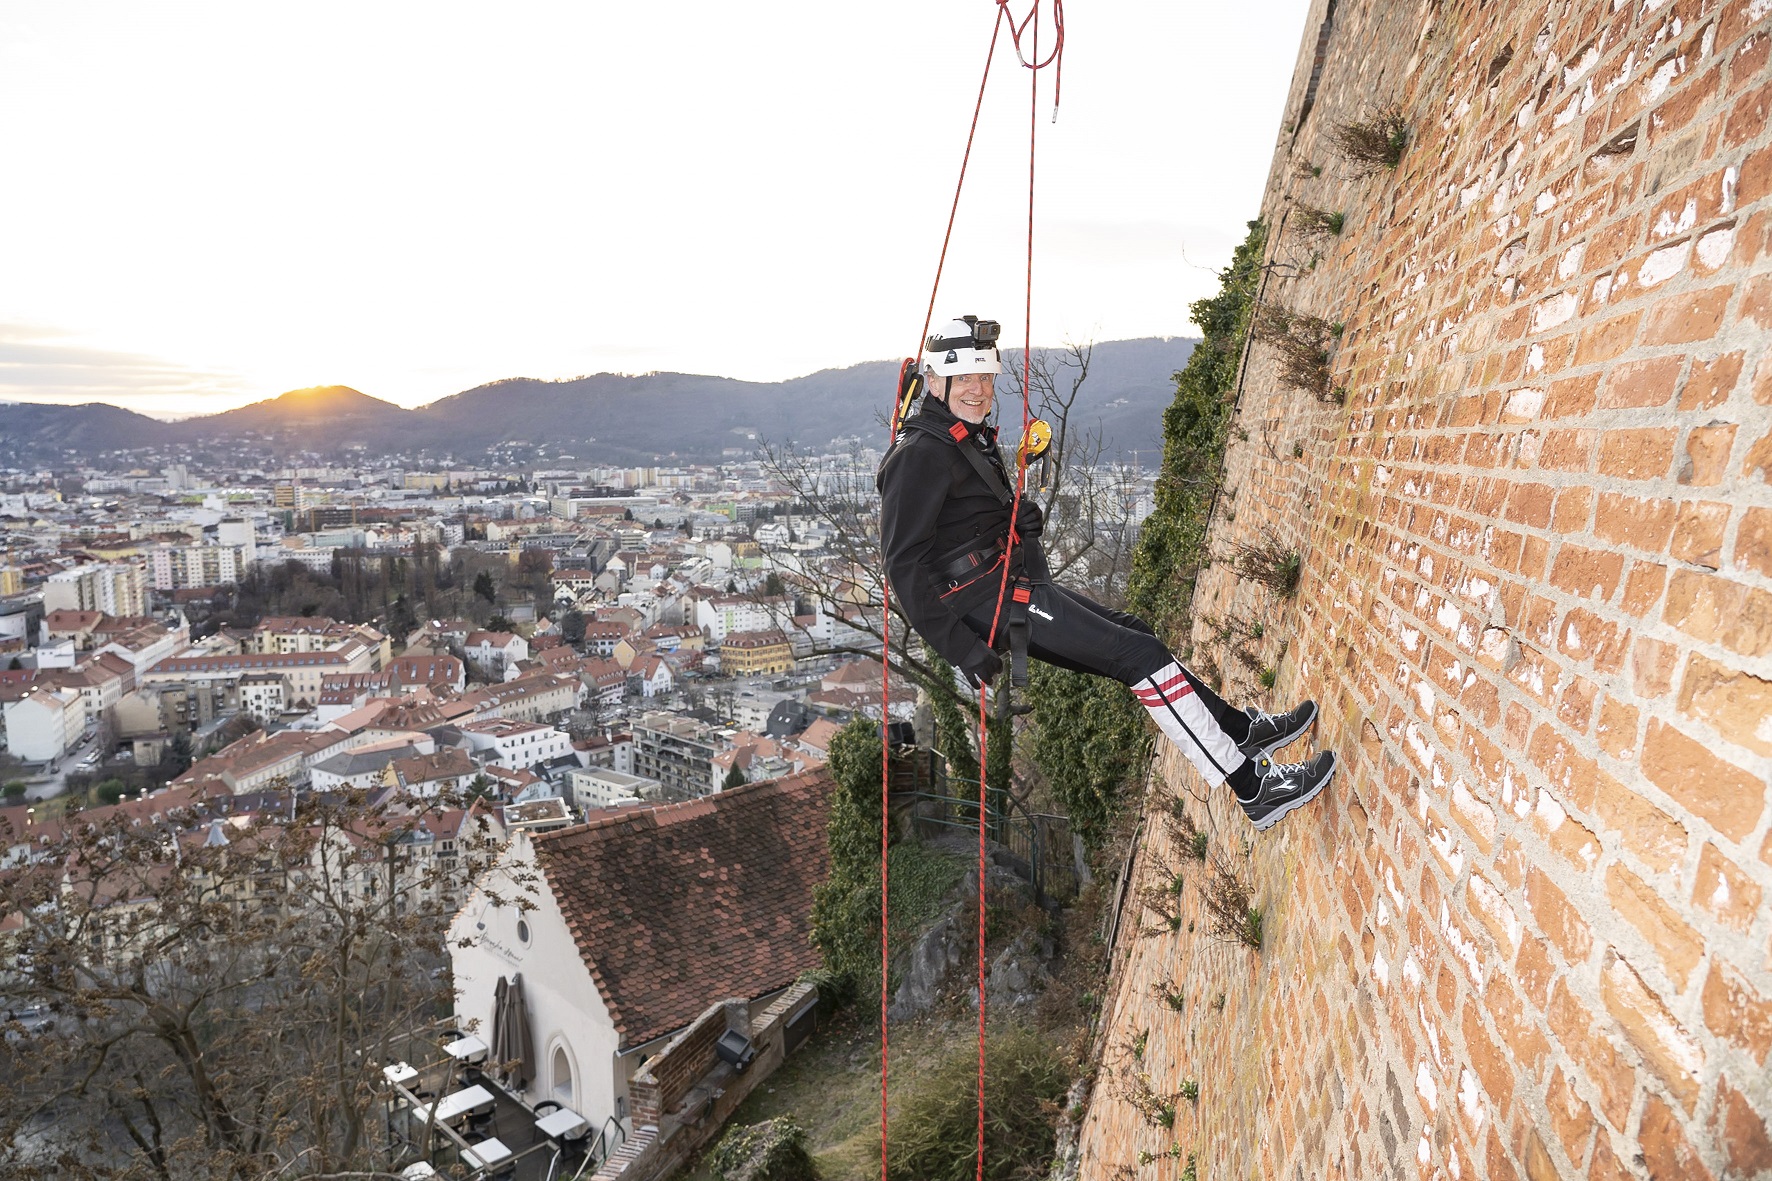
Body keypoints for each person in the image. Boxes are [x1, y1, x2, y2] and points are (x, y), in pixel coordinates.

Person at [877, 316, 1336, 830]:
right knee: (1138, 656)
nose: (980, 390)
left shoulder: (960, 437)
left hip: (1006, 585)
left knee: (1136, 635)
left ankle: (1236, 730)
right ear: (935, 383)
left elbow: (960, 527)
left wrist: (1020, 526)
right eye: (966, 380)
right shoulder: (919, 454)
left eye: (986, 378)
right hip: (987, 602)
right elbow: (903, 565)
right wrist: (961, 648)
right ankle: (1253, 788)